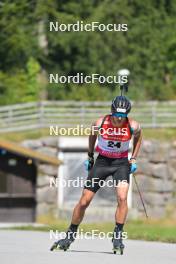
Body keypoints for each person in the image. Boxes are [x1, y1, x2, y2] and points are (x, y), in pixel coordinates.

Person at [50, 95, 142, 253]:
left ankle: (118, 236)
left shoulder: (133, 125)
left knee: (122, 197)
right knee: (85, 201)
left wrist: (133, 158)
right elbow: (92, 136)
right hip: (103, 162)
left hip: (121, 163)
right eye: (117, 115)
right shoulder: (100, 123)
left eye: (123, 116)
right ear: (112, 112)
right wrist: (90, 156)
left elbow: (139, 139)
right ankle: (70, 235)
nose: (119, 119)